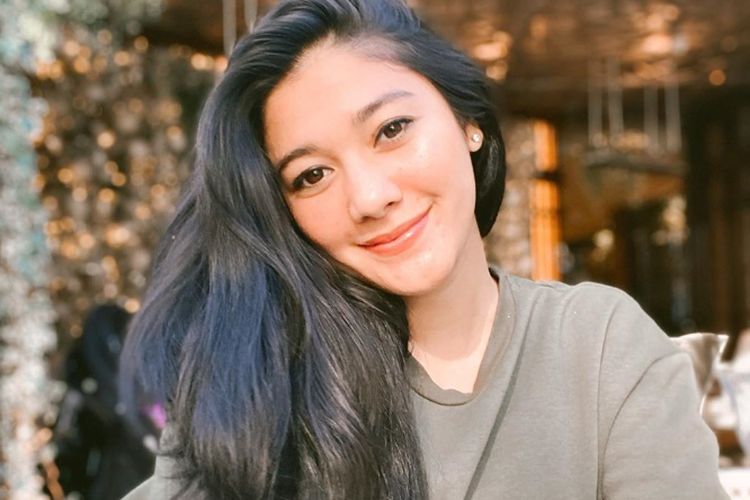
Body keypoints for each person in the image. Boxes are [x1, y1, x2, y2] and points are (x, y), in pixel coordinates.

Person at [121, 0, 728, 498]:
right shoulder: (258, 382)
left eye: (391, 129)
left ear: (469, 122)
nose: (370, 197)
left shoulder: (598, 347)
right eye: (312, 175)